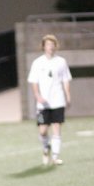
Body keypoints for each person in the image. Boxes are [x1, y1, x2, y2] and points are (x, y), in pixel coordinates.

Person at [27, 34, 72, 165]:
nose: (50, 47)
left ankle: (55, 156)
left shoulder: (61, 62)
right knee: (42, 130)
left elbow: (66, 80)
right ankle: (46, 146)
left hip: (58, 101)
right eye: (48, 44)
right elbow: (33, 81)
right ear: (43, 46)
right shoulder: (37, 62)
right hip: (42, 105)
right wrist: (37, 96)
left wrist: (68, 96)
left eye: (52, 44)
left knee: (57, 127)